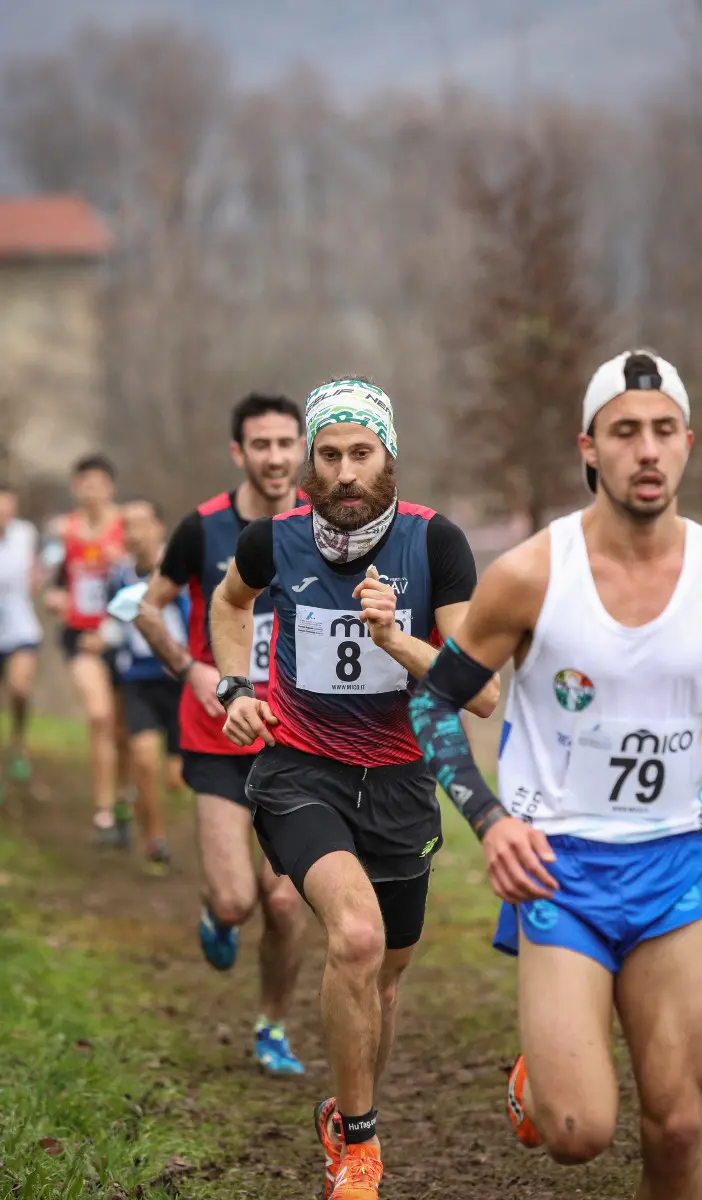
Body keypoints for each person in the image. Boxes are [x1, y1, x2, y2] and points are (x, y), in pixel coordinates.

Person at [408, 349, 702, 1200]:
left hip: (672, 870)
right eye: (626, 432)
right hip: (560, 870)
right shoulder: (530, 576)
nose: (647, 450)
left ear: (688, 443)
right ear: (589, 448)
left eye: (664, 431)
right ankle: (545, 1085)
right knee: (580, 1133)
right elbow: (434, 706)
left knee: (680, 1123)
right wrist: (491, 820)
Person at [210, 377, 499, 1200]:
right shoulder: (276, 540)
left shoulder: (435, 544)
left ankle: (347, 1108)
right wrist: (237, 689)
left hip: (403, 783)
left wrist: (396, 638)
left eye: (360, 454)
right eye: (328, 454)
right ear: (309, 461)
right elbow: (231, 604)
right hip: (301, 774)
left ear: (389, 458)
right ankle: (362, 1152)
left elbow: (481, 692)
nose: (343, 472)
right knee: (359, 940)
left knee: (387, 973)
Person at [135, 392, 308, 1074]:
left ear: (302, 448)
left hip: (295, 743)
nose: (274, 457)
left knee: (287, 901)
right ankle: (217, 914)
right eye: (260, 445)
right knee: (239, 900)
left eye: (285, 443)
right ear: (239, 452)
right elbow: (148, 609)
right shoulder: (202, 528)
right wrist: (192, 670)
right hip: (214, 739)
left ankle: (272, 1026)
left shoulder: (324, 528)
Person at [96, 498, 189, 873]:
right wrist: (102, 639)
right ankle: (155, 838)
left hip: (179, 680)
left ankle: (148, 809)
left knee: (176, 780)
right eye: (127, 525)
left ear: (159, 527)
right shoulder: (118, 575)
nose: (133, 533)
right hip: (137, 679)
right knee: (144, 760)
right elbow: (113, 625)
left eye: (141, 524)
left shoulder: (181, 569)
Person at [43, 454, 131, 843]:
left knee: (123, 727)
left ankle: (124, 797)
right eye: (85, 482)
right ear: (76, 487)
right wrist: (54, 597)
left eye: (99, 482)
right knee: (98, 716)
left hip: (123, 637)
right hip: (79, 635)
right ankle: (103, 811)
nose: (92, 489)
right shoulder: (63, 532)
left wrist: (124, 561)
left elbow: (149, 574)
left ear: (110, 487)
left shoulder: (127, 527)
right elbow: (48, 580)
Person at [0, 483, 43, 791]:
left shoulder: (25, 534)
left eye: (8, 509)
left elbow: (35, 571)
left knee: (18, 688)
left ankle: (18, 741)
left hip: (19, 628)